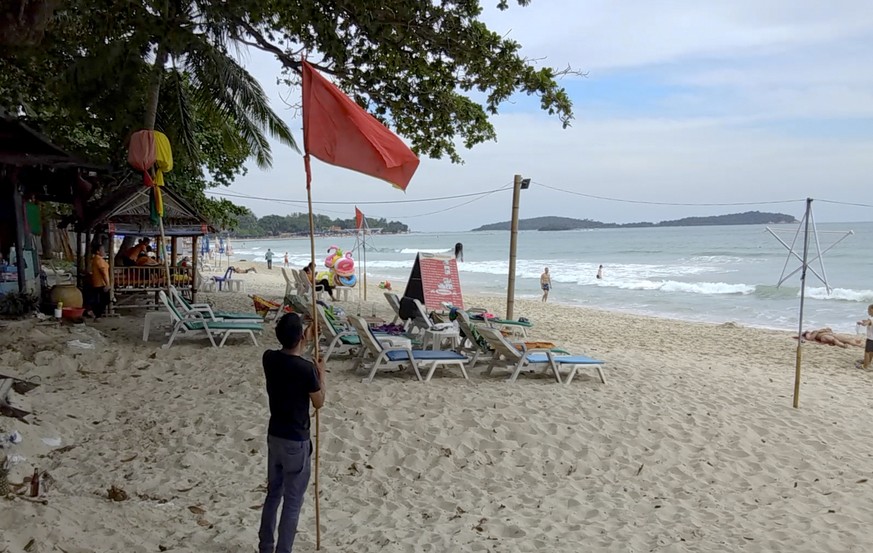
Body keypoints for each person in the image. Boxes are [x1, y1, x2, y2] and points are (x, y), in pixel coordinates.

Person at [258, 313, 325, 553]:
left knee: (273, 493)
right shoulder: (306, 370)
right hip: (296, 441)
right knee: (293, 501)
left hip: (275, 436)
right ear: (299, 337)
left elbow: (292, 350)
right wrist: (321, 376)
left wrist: (306, 333)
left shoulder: (269, 358)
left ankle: (266, 545)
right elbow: (319, 402)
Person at [90, 245, 111, 320]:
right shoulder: (99, 260)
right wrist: (107, 284)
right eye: (102, 250)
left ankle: (94, 313)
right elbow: (103, 272)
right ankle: (97, 314)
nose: (104, 251)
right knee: (104, 300)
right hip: (101, 283)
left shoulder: (97, 259)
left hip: (99, 282)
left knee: (100, 299)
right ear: (98, 251)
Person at [857, 304, 873, 369]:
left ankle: (865, 366)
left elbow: (866, 324)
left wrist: (861, 323)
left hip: (871, 338)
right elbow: (869, 322)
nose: (868, 311)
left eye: (868, 310)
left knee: (867, 352)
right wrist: (865, 321)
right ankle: (868, 362)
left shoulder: (871, 319)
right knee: (871, 351)